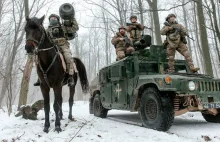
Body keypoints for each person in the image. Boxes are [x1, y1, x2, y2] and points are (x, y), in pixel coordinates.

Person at [34, 14, 79, 86]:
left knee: (68, 57)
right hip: (52, 46)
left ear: (58, 19)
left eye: (54, 18)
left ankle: (70, 77)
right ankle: (40, 78)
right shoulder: (47, 30)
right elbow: (42, 39)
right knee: (38, 58)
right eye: (51, 18)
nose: (52, 19)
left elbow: (75, 28)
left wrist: (72, 17)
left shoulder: (63, 28)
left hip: (63, 45)